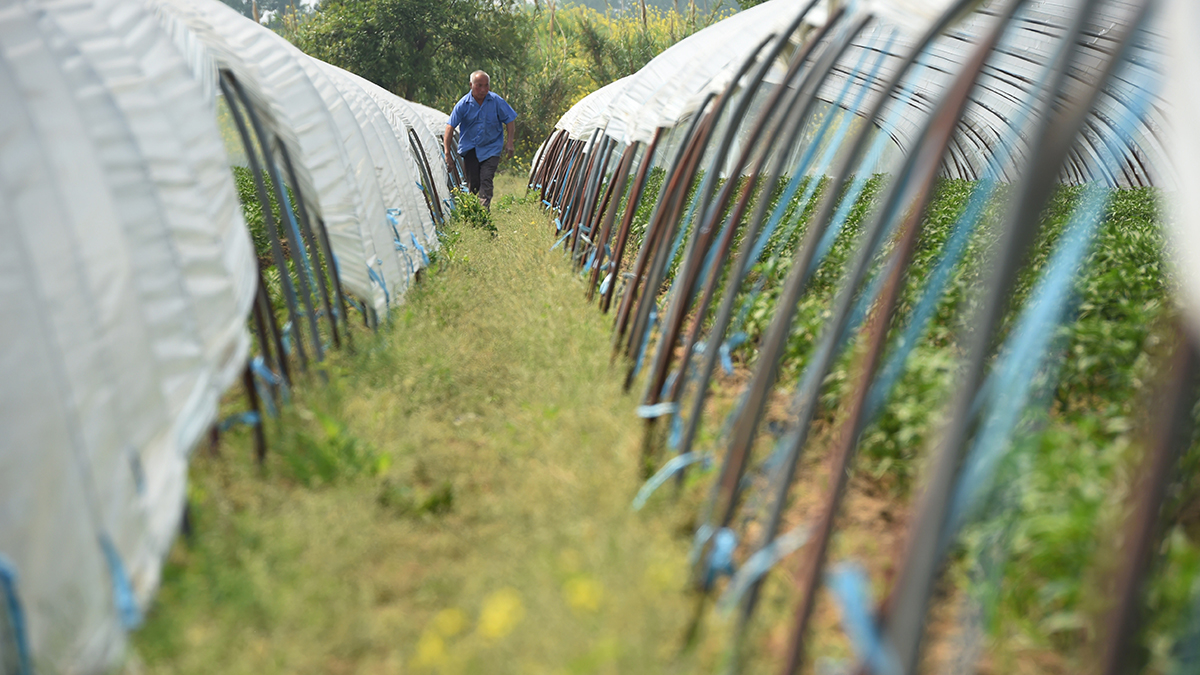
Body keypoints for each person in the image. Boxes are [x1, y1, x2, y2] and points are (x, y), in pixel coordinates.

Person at [444, 70, 517, 210]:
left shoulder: (496, 101)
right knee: (473, 183)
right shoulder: (463, 104)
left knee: (486, 179)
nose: (483, 89)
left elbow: (510, 120)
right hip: (470, 149)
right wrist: (447, 153)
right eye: (479, 85)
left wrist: (509, 142)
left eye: (486, 85)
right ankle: (474, 212)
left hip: (491, 148)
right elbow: (450, 127)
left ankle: (484, 210)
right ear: (471, 85)